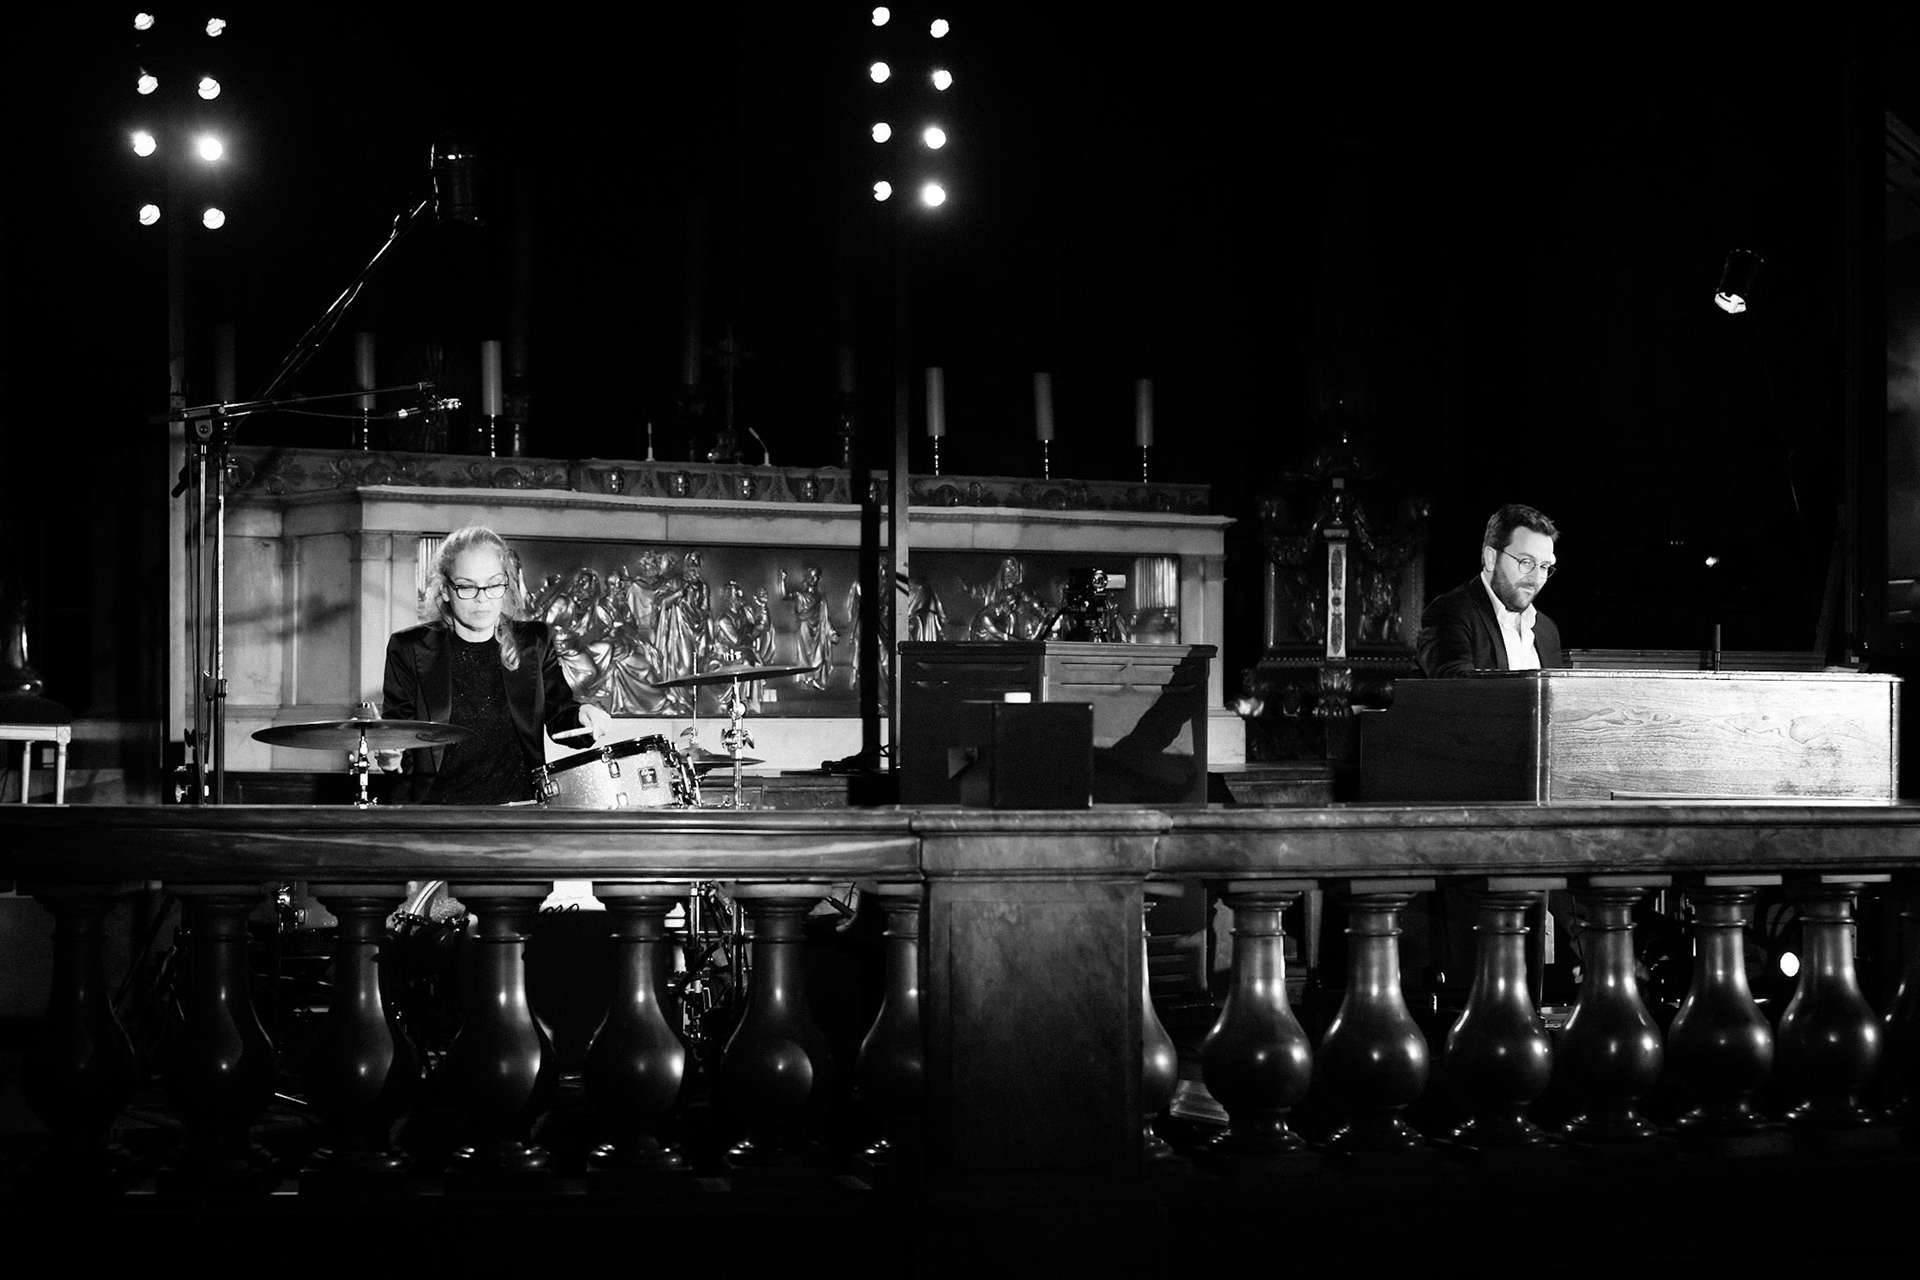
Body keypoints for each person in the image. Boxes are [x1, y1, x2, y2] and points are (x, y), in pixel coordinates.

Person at [380, 525, 613, 804]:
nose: (482, 598)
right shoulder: (409, 648)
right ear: (445, 590)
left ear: (505, 585)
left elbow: (562, 718)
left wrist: (586, 715)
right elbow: (398, 735)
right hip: (437, 813)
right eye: (467, 586)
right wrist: (391, 757)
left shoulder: (533, 643)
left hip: (519, 809)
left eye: (493, 585)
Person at [1416, 503, 1564, 678]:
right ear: (1491, 558)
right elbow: (1456, 686)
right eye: (1526, 562)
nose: (1536, 578)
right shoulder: (1450, 613)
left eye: (1544, 566)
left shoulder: (1546, 629)